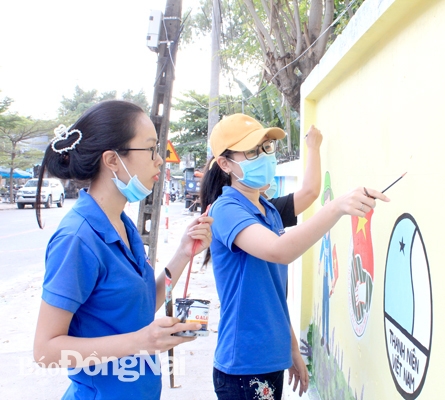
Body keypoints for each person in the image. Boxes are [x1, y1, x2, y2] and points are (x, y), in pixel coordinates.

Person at [199, 113, 389, 399]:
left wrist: (291, 351)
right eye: (251, 151)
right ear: (225, 164)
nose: (264, 156)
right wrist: (337, 207)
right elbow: (280, 251)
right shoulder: (225, 210)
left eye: (266, 148)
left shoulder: (269, 211)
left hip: (269, 359)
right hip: (244, 364)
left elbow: (274, 296)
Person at [33, 100, 213, 399]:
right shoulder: (77, 239)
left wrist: (183, 253)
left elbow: (140, 306)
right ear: (112, 160)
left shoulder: (122, 225)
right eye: (151, 149)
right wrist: (141, 342)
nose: (160, 160)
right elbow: (45, 351)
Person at [262, 125, 323, 228]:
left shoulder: (265, 208)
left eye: (268, 147)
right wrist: (313, 147)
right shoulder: (238, 211)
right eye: (251, 152)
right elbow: (309, 192)